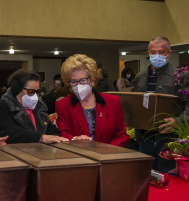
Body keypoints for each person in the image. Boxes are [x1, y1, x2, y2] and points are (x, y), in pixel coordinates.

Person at [134, 36, 189, 172]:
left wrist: (179, 121)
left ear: (169, 53)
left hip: (169, 139)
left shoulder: (180, 76)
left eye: (161, 52)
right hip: (144, 138)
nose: (157, 55)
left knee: (169, 178)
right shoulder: (140, 77)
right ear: (148, 53)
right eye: (153, 52)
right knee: (144, 177)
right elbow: (136, 104)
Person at [55, 54, 129, 147]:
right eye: (73, 82)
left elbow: (121, 135)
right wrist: (74, 139)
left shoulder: (113, 102)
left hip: (109, 157)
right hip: (78, 157)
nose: (78, 85)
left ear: (92, 80)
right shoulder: (62, 105)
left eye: (83, 80)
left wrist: (107, 151)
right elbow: (64, 133)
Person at [0, 69, 69, 144]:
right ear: (17, 89)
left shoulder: (40, 107)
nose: (35, 96)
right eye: (31, 91)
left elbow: (50, 129)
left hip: (41, 152)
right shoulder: (0, 106)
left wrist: (59, 138)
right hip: (13, 153)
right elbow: (9, 133)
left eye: (37, 91)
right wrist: (41, 137)